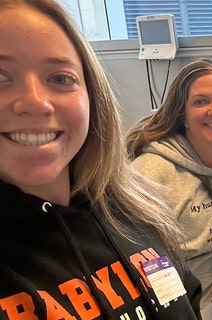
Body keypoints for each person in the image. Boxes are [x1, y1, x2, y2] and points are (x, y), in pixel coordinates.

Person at [0, 0, 201, 319]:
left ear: (92, 97)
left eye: (60, 78)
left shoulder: (133, 211)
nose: (36, 103)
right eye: (0, 76)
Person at [125, 58, 212, 314]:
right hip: (172, 305)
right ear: (183, 115)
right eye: (200, 102)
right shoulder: (151, 174)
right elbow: (129, 264)